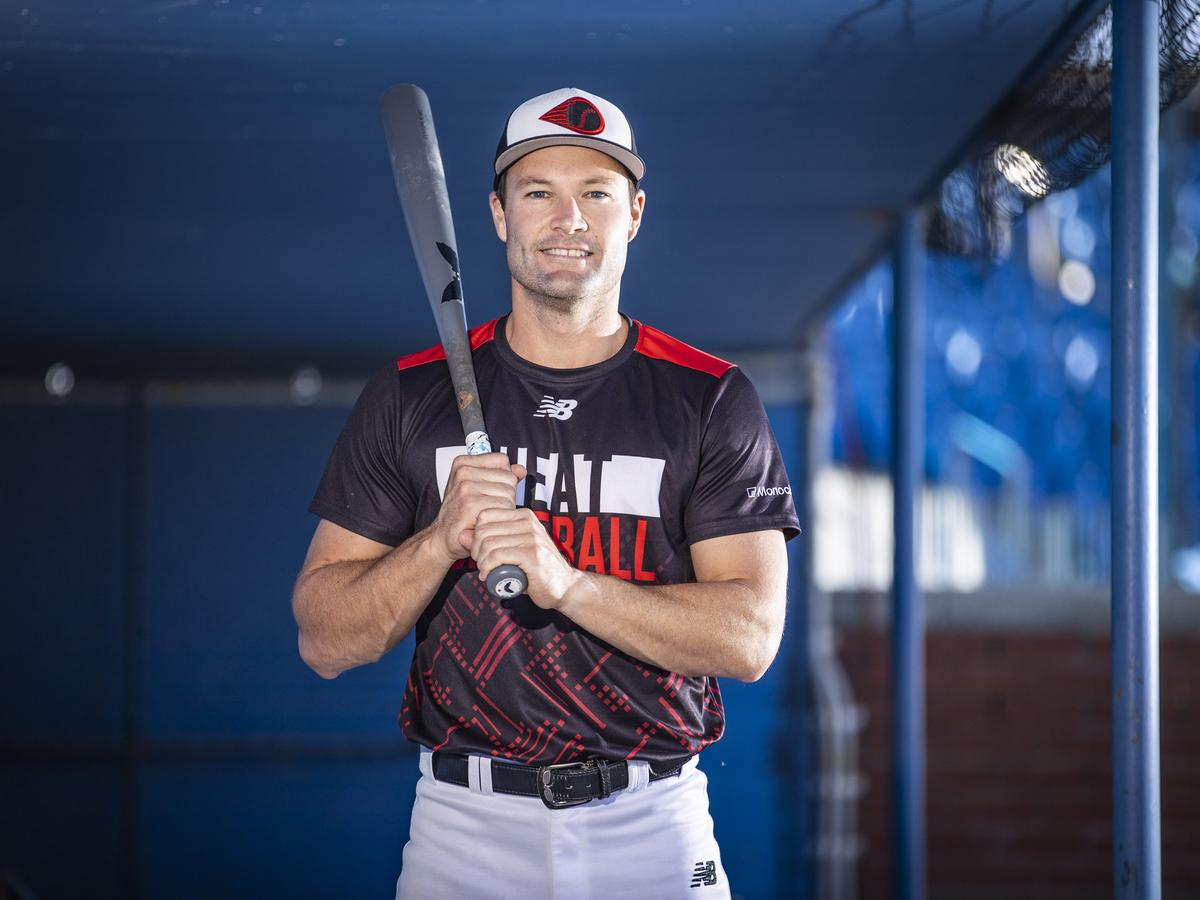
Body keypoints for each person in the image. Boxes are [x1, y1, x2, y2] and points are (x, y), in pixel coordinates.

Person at [292, 87, 800, 899]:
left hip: (653, 823)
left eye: (595, 194)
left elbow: (749, 637)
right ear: (498, 215)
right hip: (464, 830)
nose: (569, 219)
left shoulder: (707, 396)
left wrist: (569, 587)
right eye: (539, 192)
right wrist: (439, 539)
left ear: (634, 214)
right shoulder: (409, 395)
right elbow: (324, 638)